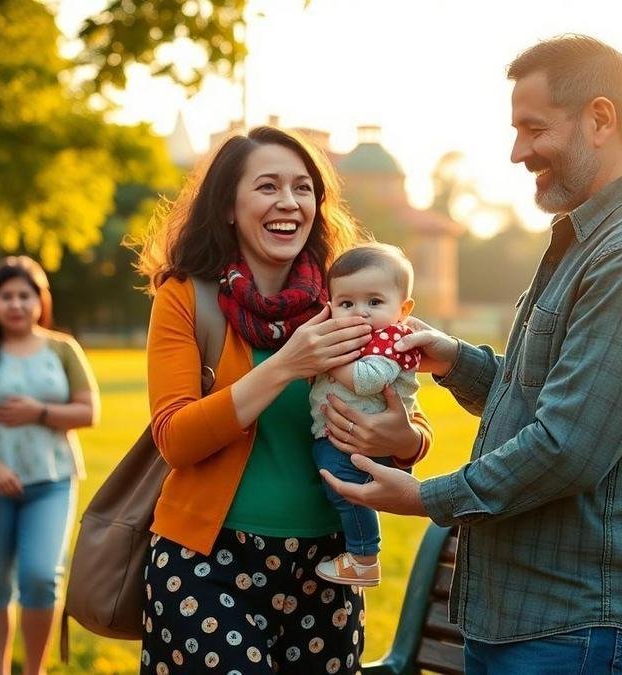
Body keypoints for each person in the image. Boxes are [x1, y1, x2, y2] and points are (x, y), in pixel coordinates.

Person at [322, 35, 622, 674]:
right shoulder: (596, 237)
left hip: (576, 624)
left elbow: (568, 448)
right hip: (530, 616)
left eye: (534, 128)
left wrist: (425, 497)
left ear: (600, 118)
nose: (517, 152)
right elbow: (553, 395)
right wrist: (456, 361)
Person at [136, 126, 434, 675]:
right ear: (229, 205)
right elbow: (175, 439)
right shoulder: (185, 297)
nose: (289, 202)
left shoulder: (351, 298)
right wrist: (286, 365)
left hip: (327, 566)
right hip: (207, 562)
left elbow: (402, 412)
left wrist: (409, 441)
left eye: (303, 188)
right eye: (268, 186)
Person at [0, 255, 100, 675]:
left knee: (39, 576)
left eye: (24, 295)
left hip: (50, 481)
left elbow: (89, 412)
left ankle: (35, 670)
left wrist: (40, 411)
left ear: (40, 300)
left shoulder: (62, 349)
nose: (15, 304)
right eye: (5, 296)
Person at [309, 243, 423, 588]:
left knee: (349, 492)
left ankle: (363, 558)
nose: (360, 312)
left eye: (374, 302)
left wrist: (329, 358)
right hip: (341, 436)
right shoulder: (354, 336)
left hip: (364, 442)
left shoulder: (392, 339)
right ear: (331, 307)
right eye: (347, 303)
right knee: (338, 486)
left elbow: (367, 380)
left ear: (402, 309)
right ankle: (359, 555)